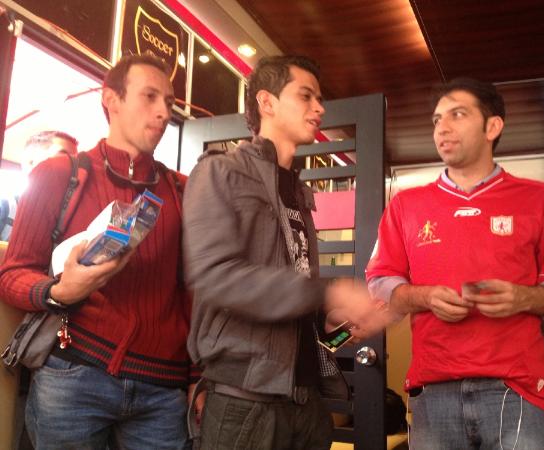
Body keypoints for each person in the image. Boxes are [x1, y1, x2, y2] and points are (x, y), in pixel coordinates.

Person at [366, 77, 544, 449]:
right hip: (432, 393)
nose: (442, 128)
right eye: (437, 119)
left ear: (492, 126)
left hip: (520, 390)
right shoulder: (405, 205)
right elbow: (379, 281)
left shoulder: (541, 199)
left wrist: (524, 298)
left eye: (457, 115)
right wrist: (424, 297)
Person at [183, 55, 388, 450]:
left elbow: (295, 292)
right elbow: (215, 276)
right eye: (306, 96)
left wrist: (332, 322)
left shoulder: (298, 190)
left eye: (320, 99)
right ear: (267, 102)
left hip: (306, 403)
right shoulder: (220, 171)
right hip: (246, 403)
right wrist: (327, 291)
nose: (319, 108)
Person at [0, 54, 197, 449]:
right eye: (149, 97)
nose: (163, 113)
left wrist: (197, 375)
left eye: (169, 102)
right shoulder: (59, 174)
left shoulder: (183, 191)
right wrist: (58, 291)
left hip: (162, 388)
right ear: (111, 99)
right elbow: (12, 274)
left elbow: (192, 291)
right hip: (74, 374)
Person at [0, 130, 78, 242]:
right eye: (62, 158)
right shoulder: (5, 206)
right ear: (30, 162)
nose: (71, 168)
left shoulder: (64, 219)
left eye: (75, 163)